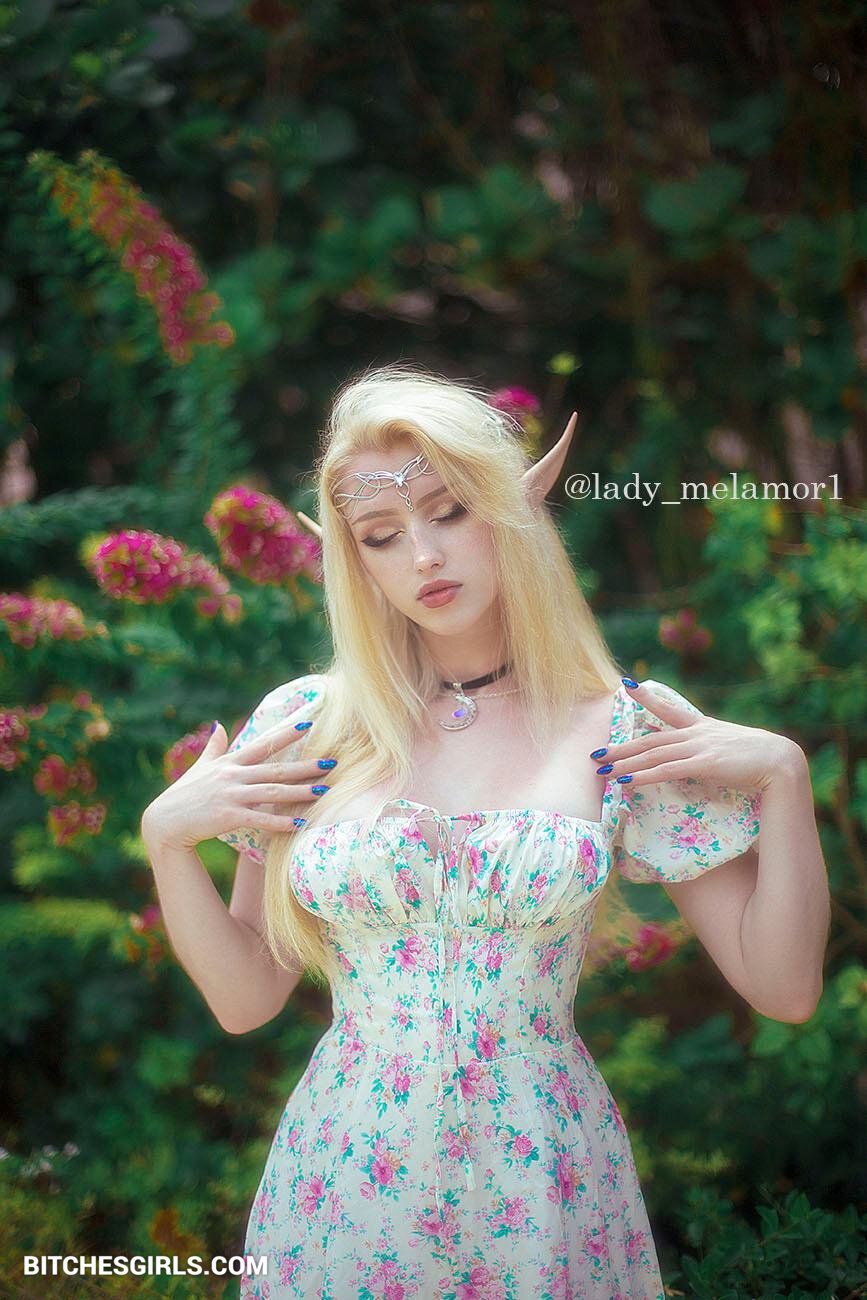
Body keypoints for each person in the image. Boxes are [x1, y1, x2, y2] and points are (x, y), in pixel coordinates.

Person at [141, 363, 830, 1299]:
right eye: (382, 535)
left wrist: (785, 778)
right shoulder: (308, 726)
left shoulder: (619, 729)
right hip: (347, 1178)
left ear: (510, 512)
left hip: (540, 1179)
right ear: (356, 560)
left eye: (450, 513)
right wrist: (166, 838)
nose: (423, 556)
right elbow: (245, 998)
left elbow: (784, 990)